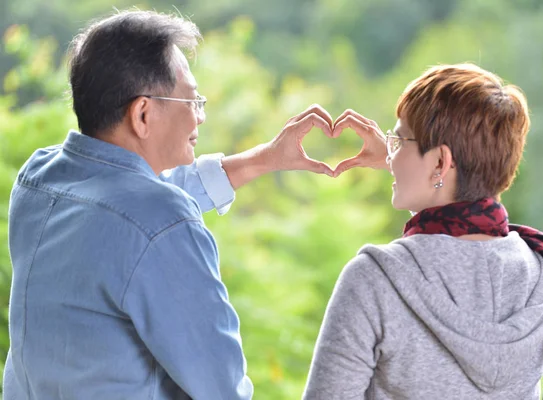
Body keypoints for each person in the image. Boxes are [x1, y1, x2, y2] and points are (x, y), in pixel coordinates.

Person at [3, 10, 337, 400]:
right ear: (143, 113)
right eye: (193, 100)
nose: (201, 115)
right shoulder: (162, 221)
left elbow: (126, 203)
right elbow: (221, 389)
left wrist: (266, 158)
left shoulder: (38, 178)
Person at [303, 64, 543, 399]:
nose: (391, 157)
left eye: (398, 140)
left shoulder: (374, 281)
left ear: (440, 162)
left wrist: (419, 175)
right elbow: (453, 228)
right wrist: (417, 168)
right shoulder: (540, 274)